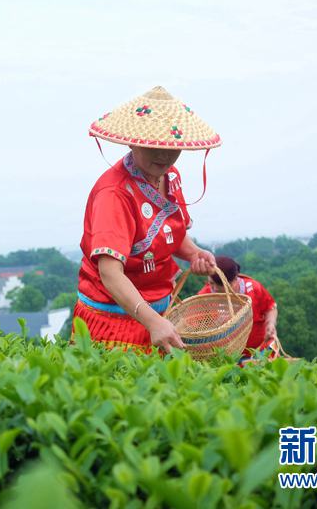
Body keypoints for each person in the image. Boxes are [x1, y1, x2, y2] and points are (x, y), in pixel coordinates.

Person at [74, 85, 220, 353]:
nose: (163, 155)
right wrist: (152, 321)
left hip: (160, 313)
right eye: (153, 146)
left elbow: (168, 233)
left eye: (170, 147)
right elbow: (109, 273)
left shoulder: (170, 176)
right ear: (131, 141)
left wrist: (195, 253)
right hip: (114, 319)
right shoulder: (115, 194)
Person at [197, 256, 277, 356]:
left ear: (235, 279)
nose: (215, 289)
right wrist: (216, 325)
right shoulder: (204, 297)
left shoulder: (253, 289)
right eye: (211, 283)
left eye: (220, 285)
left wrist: (270, 324)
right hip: (227, 357)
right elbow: (196, 328)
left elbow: (270, 308)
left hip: (261, 351)